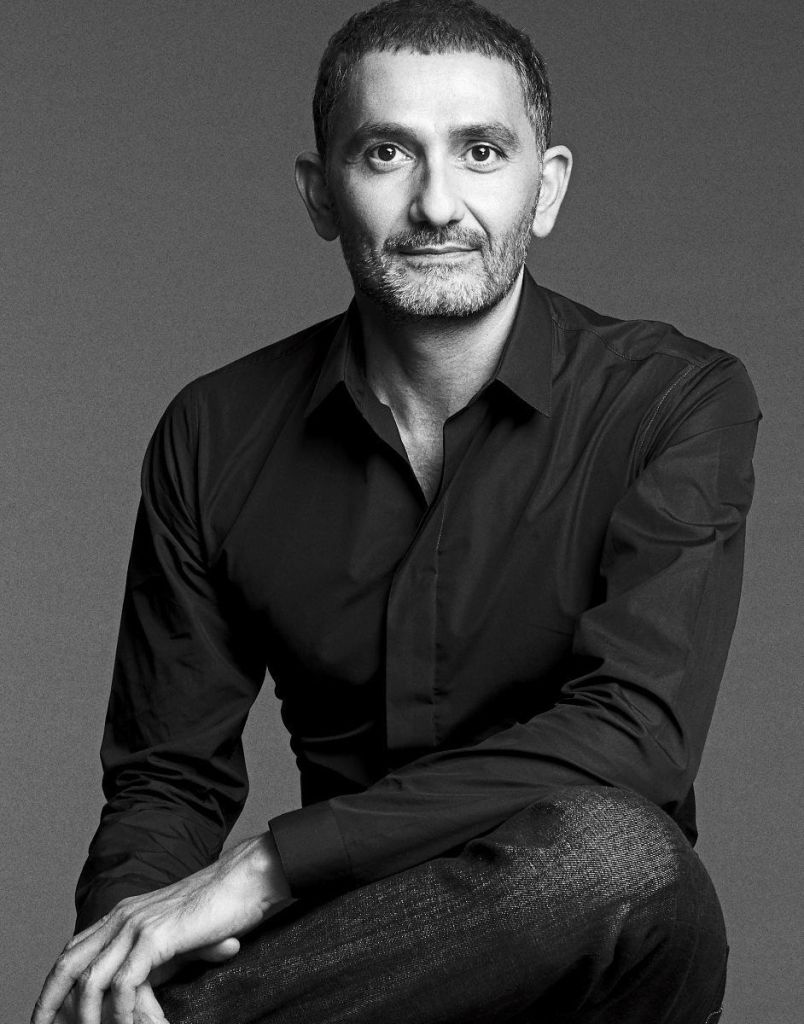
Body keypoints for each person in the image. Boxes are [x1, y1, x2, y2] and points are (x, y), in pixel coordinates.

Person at [33, 1, 760, 1022]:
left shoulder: (673, 400)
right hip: (343, 978)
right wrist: (123, 955)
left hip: (593, 965)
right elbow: (167, 778)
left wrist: (272, 865)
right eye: (386, 153)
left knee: (618, 852)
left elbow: (634, 734)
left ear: (546, 188)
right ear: (320, 194)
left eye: (481, 151)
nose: (436, 204)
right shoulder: (215, 430)